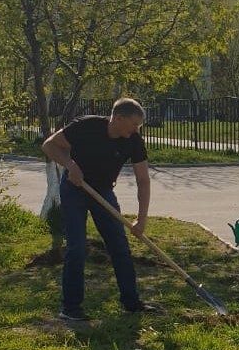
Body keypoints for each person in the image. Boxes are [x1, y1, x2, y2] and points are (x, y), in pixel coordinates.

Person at [42, 97, 157, 321]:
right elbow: (49, 145)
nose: (137, 129)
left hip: (102, 191)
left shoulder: (133, 140)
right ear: (119, 118)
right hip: (75, 188)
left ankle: (131, 302)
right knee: (77, 246)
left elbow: (143, 180)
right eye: (134, 124)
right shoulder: (87, 126)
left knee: (119, 246)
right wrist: (70, 165)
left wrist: (141, 220)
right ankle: (71, 309)